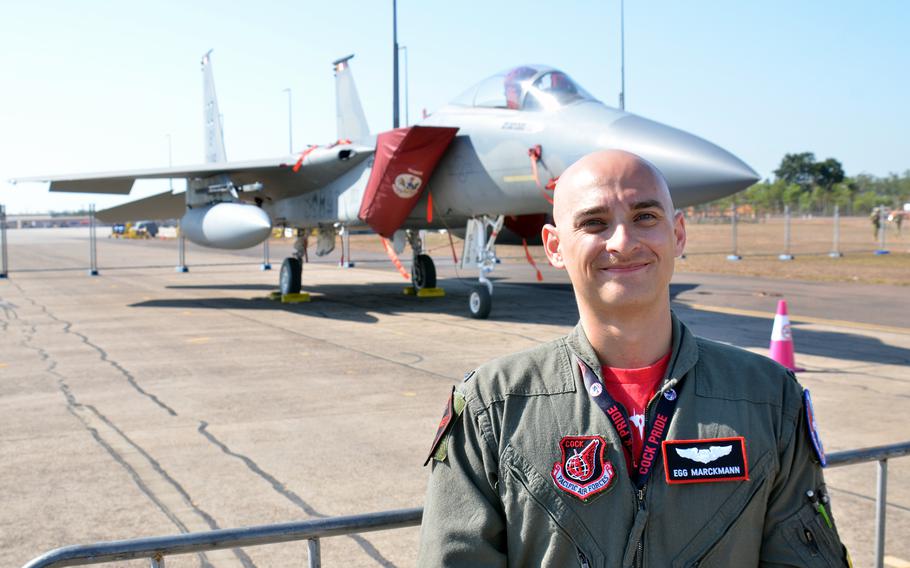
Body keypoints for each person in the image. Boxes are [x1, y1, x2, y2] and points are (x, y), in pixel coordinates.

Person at [418, 150, 849, 566]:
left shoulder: (769, 398)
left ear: (678, 233)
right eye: (594, 223)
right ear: (554, 246)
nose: (623, 242)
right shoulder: (492, 406)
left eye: (645, 217)